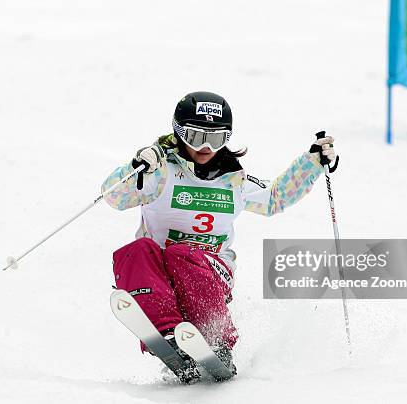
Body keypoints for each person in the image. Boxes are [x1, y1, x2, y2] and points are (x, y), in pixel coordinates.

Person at [102, 91, 335, 376]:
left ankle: (218, 341)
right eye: (196, 136)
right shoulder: (160, 172)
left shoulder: (233, 179)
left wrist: (311, 163)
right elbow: (113, 197)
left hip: (210, 272)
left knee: (180, 253)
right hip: (159, 275)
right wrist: (137, 167)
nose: (206, 147)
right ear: (178, 133)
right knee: (136, 251)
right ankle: (167, 334)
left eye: (217, 138)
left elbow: (275, 197)